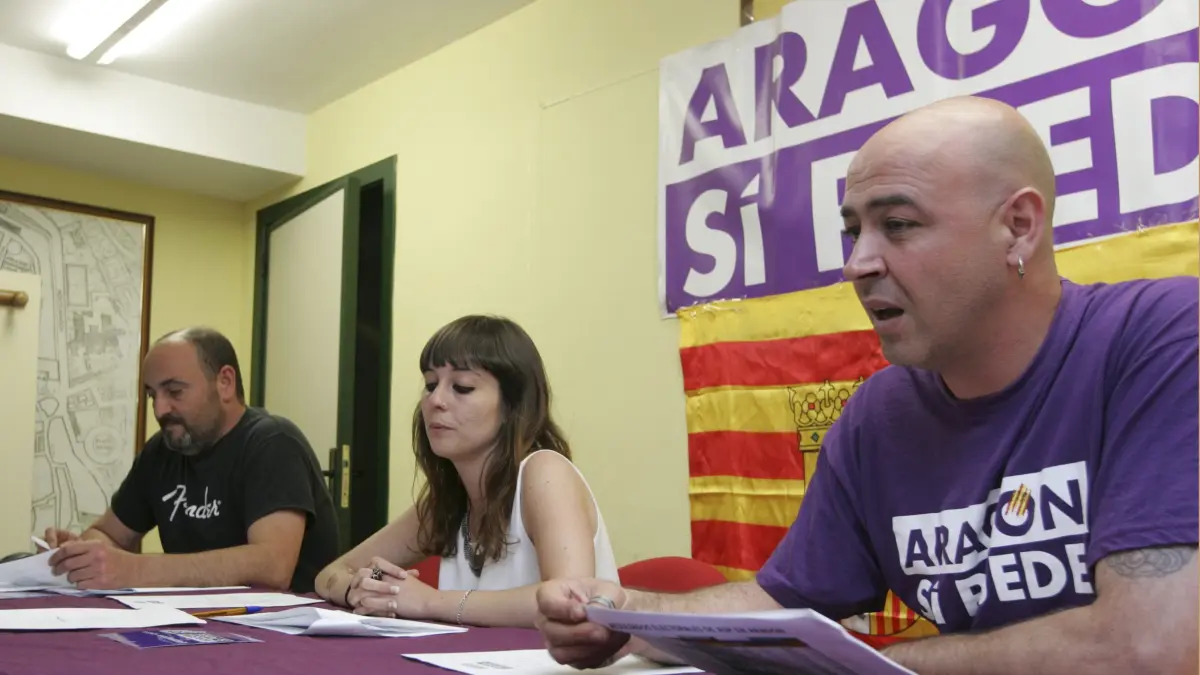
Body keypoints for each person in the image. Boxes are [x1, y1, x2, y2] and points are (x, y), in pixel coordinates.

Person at [535, 96, 1198, 674]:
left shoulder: (1165, 338)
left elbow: (1152, 649)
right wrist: (628, 616)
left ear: (1018, 226)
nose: (857, 263)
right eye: (853, 232)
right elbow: (781, 604)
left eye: (898, 225)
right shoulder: (881, 414)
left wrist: (867, 665)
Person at [314, 315, 619, 627]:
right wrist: (361, 589)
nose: (436, 400)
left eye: (462, 387)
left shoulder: (545, 472)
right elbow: (331, 573)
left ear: (512, 406)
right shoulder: (449, 502)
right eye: (430, 384)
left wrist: (429, 601)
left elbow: (571, 600)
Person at [43, 327, 339, 593]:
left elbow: (272, 567)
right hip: (192, 623)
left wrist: (134, 569)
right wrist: (83, 554)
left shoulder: (272, 442)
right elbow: (109, 534)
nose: (160, 409)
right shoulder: (161, 452)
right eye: (152, 395)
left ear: (225, 382)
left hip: (281, 627)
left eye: (174, 391)